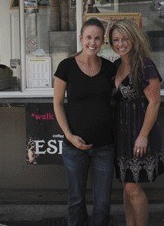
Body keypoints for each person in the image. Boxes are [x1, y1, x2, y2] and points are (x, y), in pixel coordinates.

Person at [53, 18, 116, 226]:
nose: (92, 42)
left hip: (104, 147)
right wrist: (70, 136)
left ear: (103, 42)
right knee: (76, 201)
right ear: (81, 39)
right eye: (88, 37)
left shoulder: (109, 68)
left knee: (102, 204)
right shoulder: (66, 66)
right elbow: (58, 104)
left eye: (97, 38)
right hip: (74, 147)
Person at [109, 19, 164, 226]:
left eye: (124, 38)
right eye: (116, 39)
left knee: (132, 188)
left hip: (140, 133)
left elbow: (155, 102)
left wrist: (142, 136)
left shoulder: (145, 64)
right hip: (121, 134)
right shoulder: (116, 65)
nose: (120, 43)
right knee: (126, 186)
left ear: (134, 38)